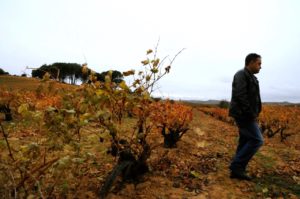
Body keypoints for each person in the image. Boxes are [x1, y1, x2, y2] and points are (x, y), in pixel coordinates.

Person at [228, 53, 263, 180]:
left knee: (245, 141)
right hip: (243, 115)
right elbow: (241, 96)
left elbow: (253, 98)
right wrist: (251, 114)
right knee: (257, 140)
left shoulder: (252, 77)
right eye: (259, 63)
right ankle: (237, 166)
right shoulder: (241, 75)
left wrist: (256, 112)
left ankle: (237, 171)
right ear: (251, 62)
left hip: (248, 114)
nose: (260, 67)